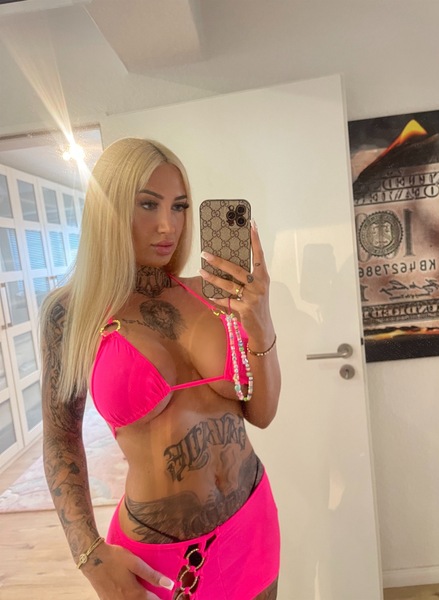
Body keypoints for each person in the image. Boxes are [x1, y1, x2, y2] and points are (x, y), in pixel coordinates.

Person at [40, 137, 281, 600]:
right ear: (109, 209)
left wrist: (262, 322)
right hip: (159, 562)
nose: (168, 225)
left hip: (252, 524)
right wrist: (88, 554)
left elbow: (263, 414)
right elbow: (61, 437)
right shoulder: (70, 313)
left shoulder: (210, 292)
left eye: (180, 206)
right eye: (148, 204)